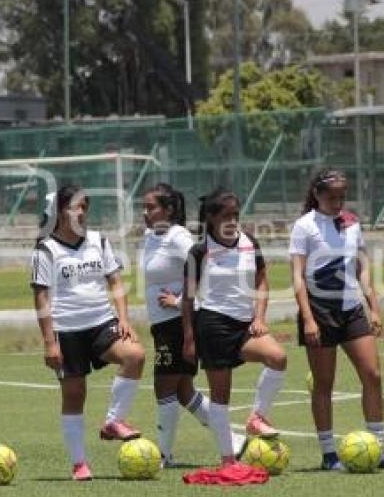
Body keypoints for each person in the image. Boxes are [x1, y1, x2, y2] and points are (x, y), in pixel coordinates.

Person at [290, 168, 384, 471]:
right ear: (317, 194)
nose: (339, 203)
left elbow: (362, 268)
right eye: (332, 197)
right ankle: (328, 454)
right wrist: (309, 320)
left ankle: (377, 448)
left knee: (373, 375)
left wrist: (374, 307)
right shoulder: (304, 226)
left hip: (352, 309)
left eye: (342, 197)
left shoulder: (352, 223)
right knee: (324, 384)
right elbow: (298, 278)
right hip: (319, 311)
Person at [32, 185, 146, 481]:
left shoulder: (99, 241)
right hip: (66, 330)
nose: (80, 212)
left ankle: (114, 421)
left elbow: (116, 282)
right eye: (74, 207)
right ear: (60, 212)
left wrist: (124, 318)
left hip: (101, 323)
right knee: (74, 394)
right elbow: (41, 297)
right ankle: (79, 463)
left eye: (84, 206)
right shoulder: (46, 249)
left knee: (134, 355)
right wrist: (49, 343)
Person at [141, 184, 246, 467]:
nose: (145, 212)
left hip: (178, 322)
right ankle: (234, 440)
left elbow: (205, 264)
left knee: (164, 387)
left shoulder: (179, 237)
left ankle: (163, 455)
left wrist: (177, 301)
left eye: (151, 207)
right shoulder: (150, 236)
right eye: (145, 207)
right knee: (184, 390)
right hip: (161, 324)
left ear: (170, 210)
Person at [182, 187, 287, 467]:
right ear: (212, 218)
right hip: (213, 325)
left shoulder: (249, 242)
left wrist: (260, 317)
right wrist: (189, 340)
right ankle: (228, 459)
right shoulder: (199, 251)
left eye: (236, 215)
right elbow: (188, 298)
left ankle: (257, 417)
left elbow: (262, 279)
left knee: (277, 357)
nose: (232, 221)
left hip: (244, 326)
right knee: (221, 396)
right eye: (226, 215)